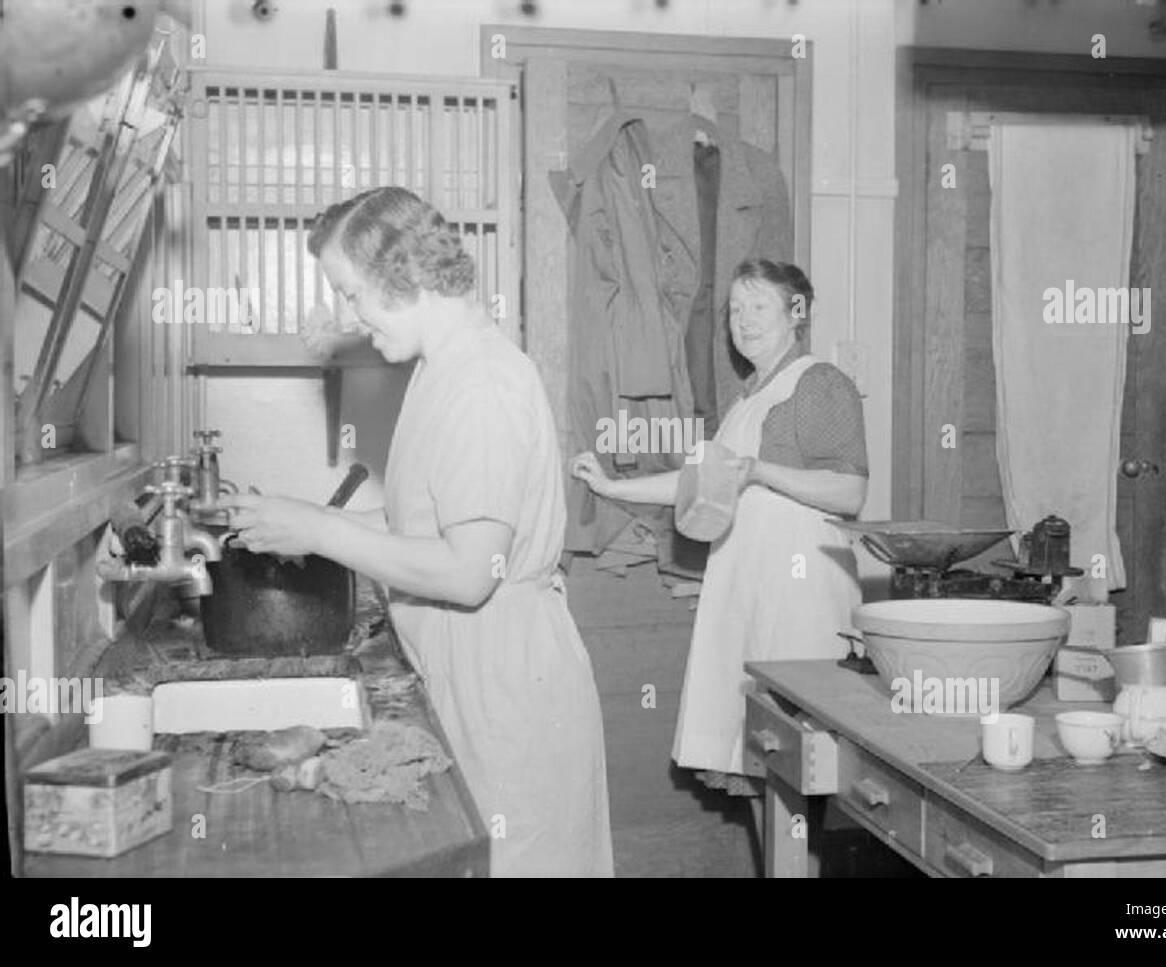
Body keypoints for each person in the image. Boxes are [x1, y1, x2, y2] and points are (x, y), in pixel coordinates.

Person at [223, 186, 613, 877]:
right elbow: (418, 525)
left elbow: (468, 572)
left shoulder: (483, 384)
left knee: (518, 860)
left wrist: (319, 525)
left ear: (399, 275)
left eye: (353, 294)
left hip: (508, 679)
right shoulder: (441, 371)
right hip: (473, 666)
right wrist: (305, 526)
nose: (353, 316)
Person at [571, 259, 867, 802]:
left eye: (759, 306)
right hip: (746, 592)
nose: (744, 320)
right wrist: (612, 487)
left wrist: (759, 471)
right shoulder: (746, 400)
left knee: (808, 766)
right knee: (757, 760)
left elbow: (849, 491)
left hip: (801, 601)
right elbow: (695, 482)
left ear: (796, 314)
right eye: (735, 309)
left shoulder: (819, 383)